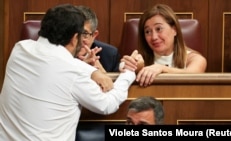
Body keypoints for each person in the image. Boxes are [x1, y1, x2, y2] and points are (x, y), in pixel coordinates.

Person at [0, 4, 136, 141]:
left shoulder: (20, 49)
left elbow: (59, 62)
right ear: (74, 38)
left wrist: (92, 71)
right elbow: (108, 104)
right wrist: (129, 73)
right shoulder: (74, 73)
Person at [120, 4, 207, 87]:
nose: (154, 37)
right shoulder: (140, 60)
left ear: (174, 30)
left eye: (159, 29)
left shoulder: (195, 58)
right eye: (147, 32)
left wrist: (162, 69)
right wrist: (133, 68)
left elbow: (193, 75)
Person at [76, 5, 120, 72]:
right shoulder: (58, 53)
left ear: (94, 35)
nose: (79, 40)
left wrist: (101, 73)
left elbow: (114, 82)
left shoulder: (110, 55)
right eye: (74, 33)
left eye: (85, 34)